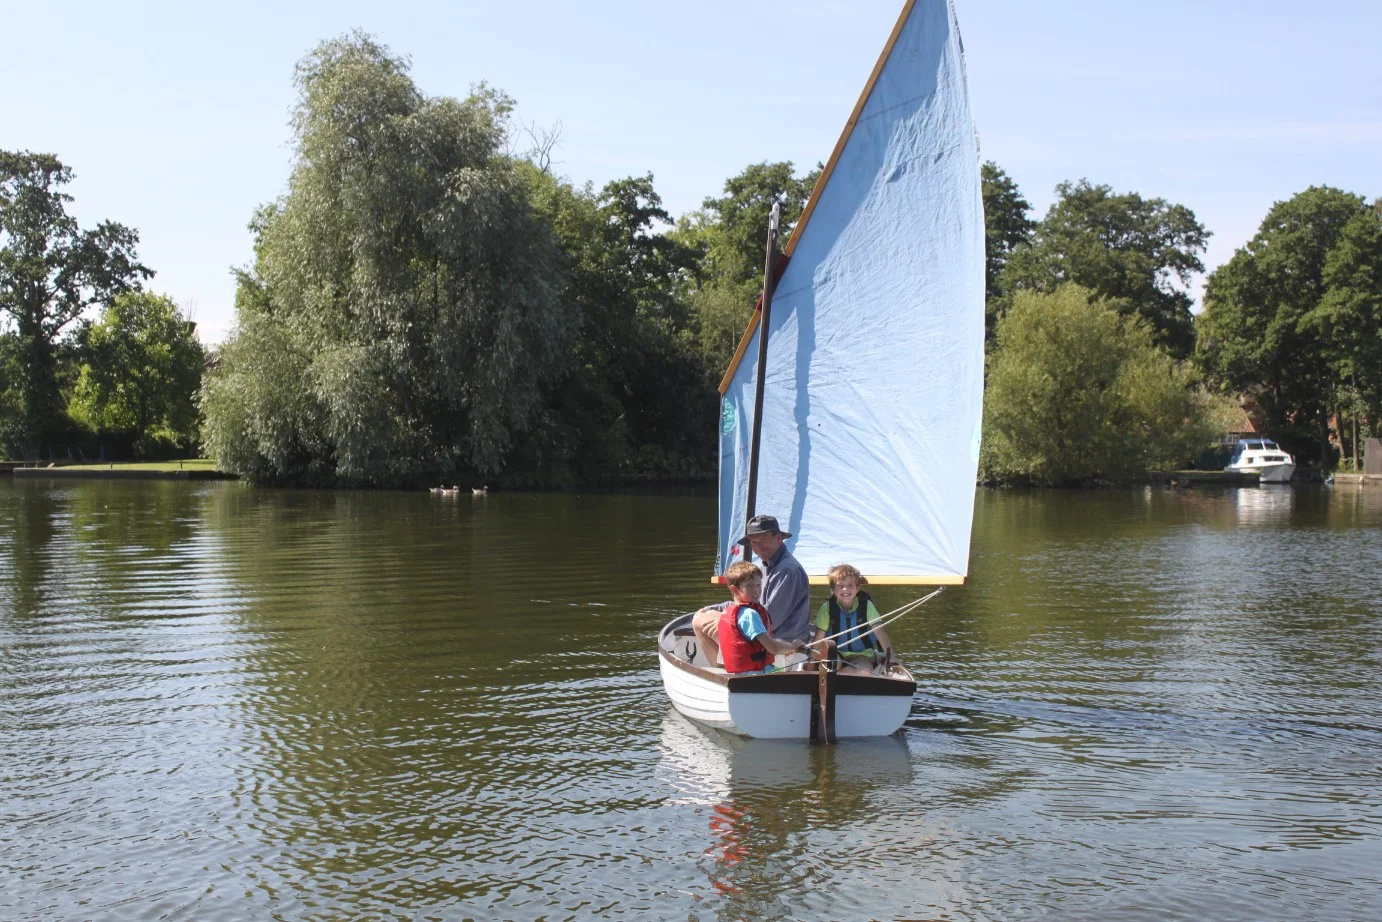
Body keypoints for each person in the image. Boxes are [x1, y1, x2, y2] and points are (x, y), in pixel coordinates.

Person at [692, 561, 805, 673]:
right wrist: (793, 646)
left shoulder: (733, 612)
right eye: (749, 585)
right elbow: (772, 648)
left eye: (758, 584)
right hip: (758, 675)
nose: (755, 589)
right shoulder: (750, 615)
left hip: (739, 674)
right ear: (734, 590)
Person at [810, 563, 893, 675]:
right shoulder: (827, 608)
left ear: (857, 588)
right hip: (836, 653)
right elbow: (818, 638)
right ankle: (836, 676)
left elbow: (880, 633)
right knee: (828, 665)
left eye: (850, 585)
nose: (845, 589)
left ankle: (836, 677)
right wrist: (812, 658)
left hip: (863, 655)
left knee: (864, 671)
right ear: (833, 590)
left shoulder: (867, 606)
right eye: (840, 586)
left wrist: (891, 657)